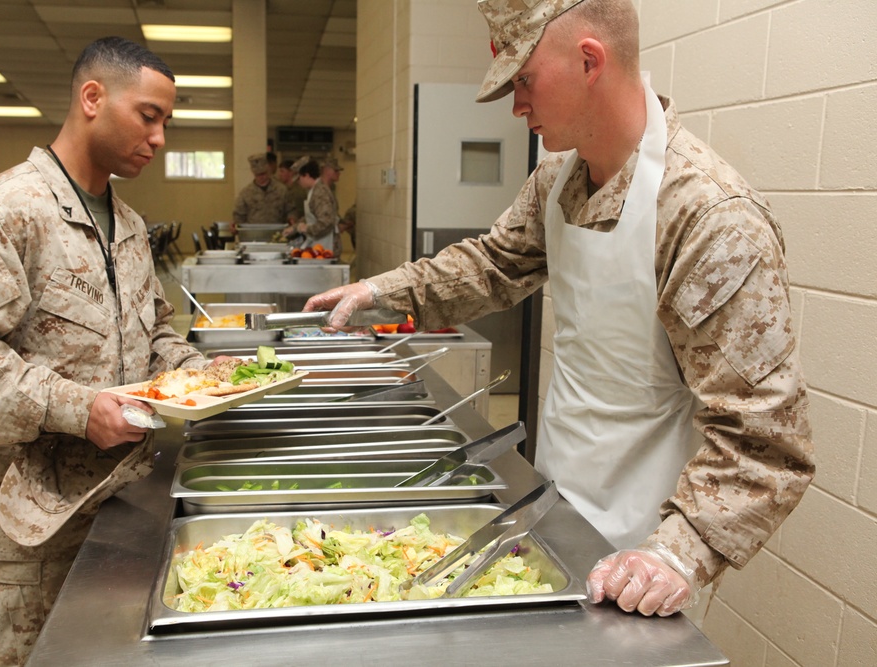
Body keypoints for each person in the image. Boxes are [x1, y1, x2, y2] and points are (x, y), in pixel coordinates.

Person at [303, 0, 814, 618]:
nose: (517, 106)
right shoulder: (558, 182)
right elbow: (493, 264)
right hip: (554, 509)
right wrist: (379, 293)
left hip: (643, 555)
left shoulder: (709, 218)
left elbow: (764, 438)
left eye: (524, 81)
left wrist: (677, 554)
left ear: (589, 60)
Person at [0, 36, 227, 666]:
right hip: (29, 521)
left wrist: (202, 373)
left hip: (121, 499)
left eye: (166, 121)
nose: (159, 138)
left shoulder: (127, 225)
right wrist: (79, 408)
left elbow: (153, 332)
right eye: (149, 115)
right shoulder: (2, 214)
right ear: (92, 98)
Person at [284, 157, 343, 257]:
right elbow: (311, 216)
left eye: (299, 179)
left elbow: (326, 222)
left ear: (306, 175)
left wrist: (306, 229)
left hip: (327, 246)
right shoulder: (313, 191)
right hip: (320, 244)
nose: (298, 183)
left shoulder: (320, 193)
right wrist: (295, 227)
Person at [232, 152, 291, 228]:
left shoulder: (281, 190)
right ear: (253, 174)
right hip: (254, 234)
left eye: (263, 174)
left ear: (268, 170)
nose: (261, 177)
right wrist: (236, 226)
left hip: (277, 232)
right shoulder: (246, 193)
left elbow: (291, 209)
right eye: (258, 175)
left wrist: (291, 219)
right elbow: (238, 215)